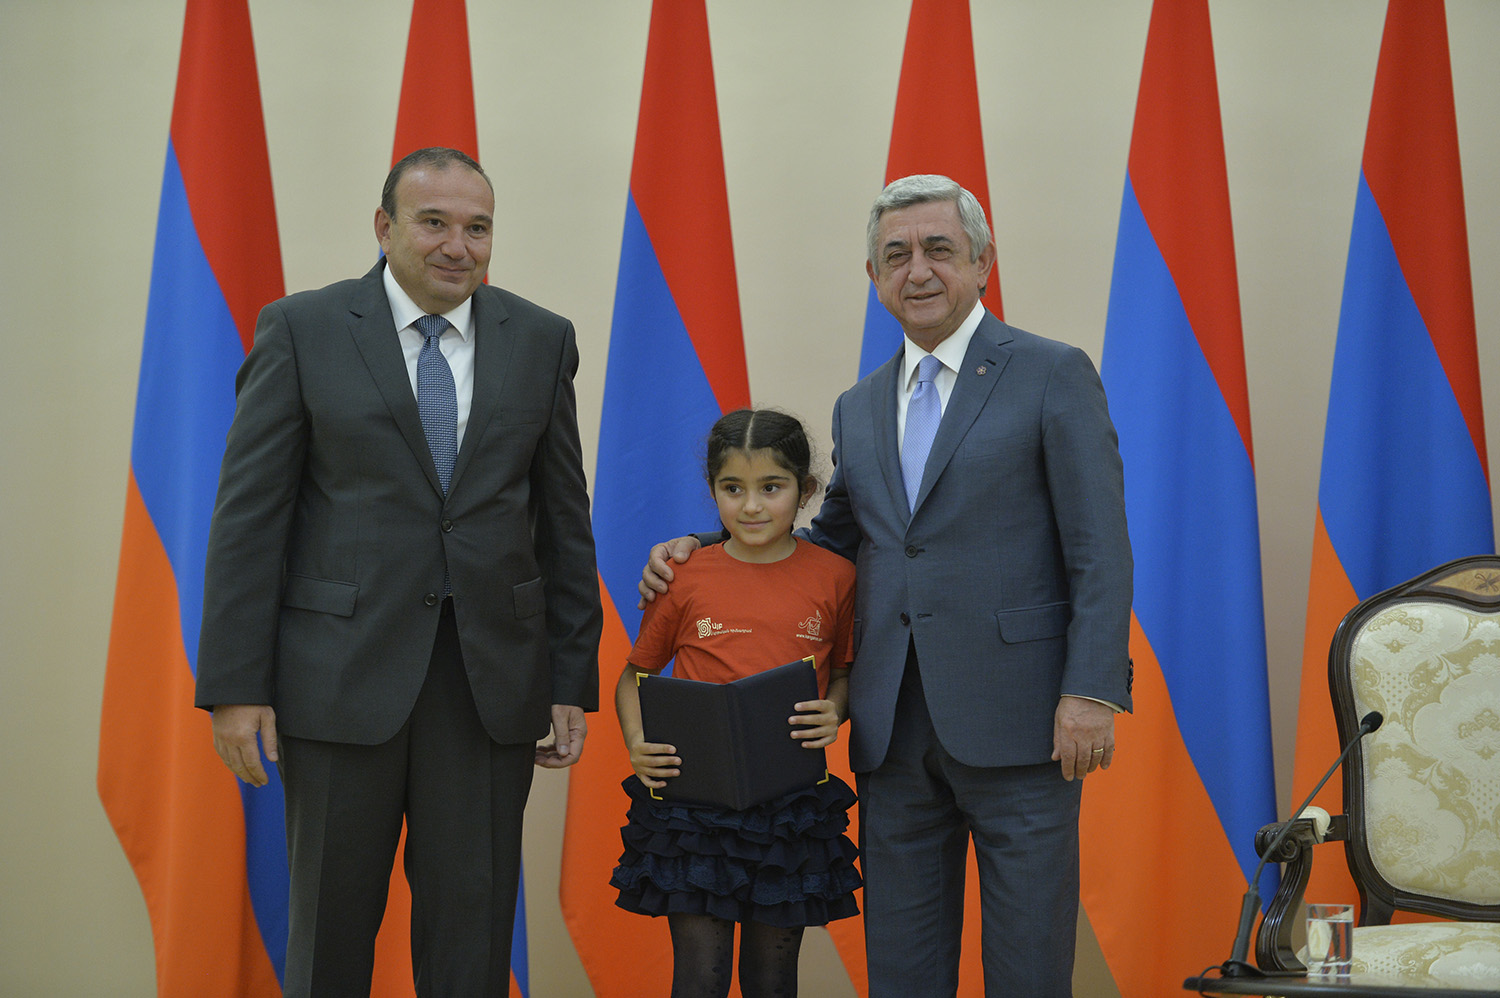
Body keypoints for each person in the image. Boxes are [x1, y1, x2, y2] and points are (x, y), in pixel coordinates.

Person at [642, 175, 1132, 996]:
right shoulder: (859, 404)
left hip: (1023, 721)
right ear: (874, 277)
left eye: (939, 249)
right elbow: (834, 541)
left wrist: (1091, 690)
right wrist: (707, 550)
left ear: (982, 262)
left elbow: (1100, 546)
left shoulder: (1052, 372)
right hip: (890, 726)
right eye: (896, 255)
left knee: (1028, 966)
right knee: (902, 968)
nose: (918, 270)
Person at [195, 146, 603, 998]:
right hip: (338, 680)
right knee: (330, 935)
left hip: (489, 687)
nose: (458, 246)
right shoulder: (302, 329)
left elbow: (564, 522)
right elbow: (249, 519)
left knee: (471, 941)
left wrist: (570, 678)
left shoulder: (541, 339)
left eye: (478, 228)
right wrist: (235, 683)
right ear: (384, 227)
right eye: (434, 223)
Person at [613, 409, 862, 998]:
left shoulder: (837, 577)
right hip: (694, 814)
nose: (751, 506)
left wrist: (836, 709)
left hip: (790, 810)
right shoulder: (683, 577)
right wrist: (637, 744)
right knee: (700, 978)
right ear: (713, 491)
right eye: (733, 489)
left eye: (771, 488)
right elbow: (633, 677)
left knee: (772, 982)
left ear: (805, 490)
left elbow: (845, 673)